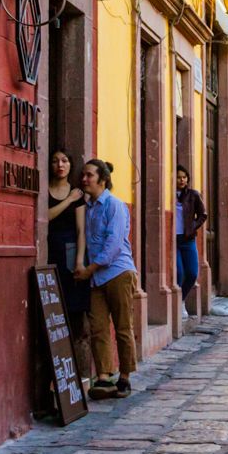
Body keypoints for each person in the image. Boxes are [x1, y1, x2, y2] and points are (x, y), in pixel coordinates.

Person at [74, 159, 137, 399]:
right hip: (95, 277)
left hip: (118, 273)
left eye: (89, 175)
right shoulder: (89, 208)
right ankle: (103, 377)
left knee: (123, 327)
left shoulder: (115, 206)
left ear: (102, 179)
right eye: (84, 175)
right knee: (98, 327)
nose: (84, 179)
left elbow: (112, 246)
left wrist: (89, 269)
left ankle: (125, 377)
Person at [46, 150, 92, 380]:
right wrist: (68, 201)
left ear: (70, 165)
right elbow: (45, 217)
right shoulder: (46, 190)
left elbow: (82, 230)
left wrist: (79, 260)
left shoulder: (79, 195)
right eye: (55, 160)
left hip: (70, 256)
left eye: (64, 160)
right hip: (49, 255)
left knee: (74, 314)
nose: (60, 165)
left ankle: (79, 374)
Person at [174, 164, 207, 317]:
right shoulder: (169, 194)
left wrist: (193, 226)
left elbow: (203, 214)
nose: (181, 180)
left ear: (187, 179)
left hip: (188, 239)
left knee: (192, 273)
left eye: (184, 177)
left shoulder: (193, 195)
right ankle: (177, 304)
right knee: (179, 273)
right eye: (179, 177)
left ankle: (181, 301)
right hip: (174, 240)